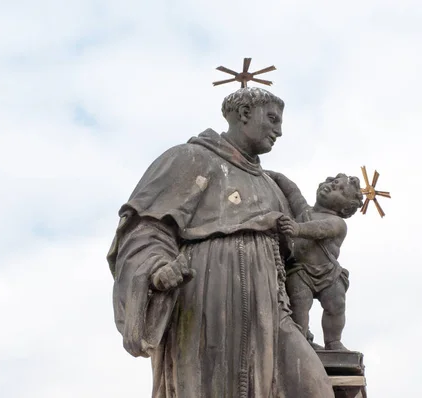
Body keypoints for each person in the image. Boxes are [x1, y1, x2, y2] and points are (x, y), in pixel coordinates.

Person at [107, 87, 334, 397]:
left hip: (270, 308)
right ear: (243, 114)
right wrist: (158, 269)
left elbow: (297, 258)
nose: (279, 131)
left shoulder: (274, 186)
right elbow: (145, 228)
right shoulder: (190, 158)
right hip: (206, 298)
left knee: (312, 388)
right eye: (272, 119)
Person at [267, 171, 363, 351]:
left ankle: (333, 342)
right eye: (334, 182)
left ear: (345, 208)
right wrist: (271, 175)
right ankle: (301, 340)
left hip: (329, 273)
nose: (333, 186)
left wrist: (297, 228)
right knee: (299, 304)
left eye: (340, 190)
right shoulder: (303, 211)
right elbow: (292, 191)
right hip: (300, 271)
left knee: (336, 306)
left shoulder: (337, 222)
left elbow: (321, 229)